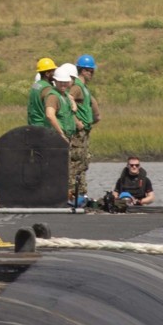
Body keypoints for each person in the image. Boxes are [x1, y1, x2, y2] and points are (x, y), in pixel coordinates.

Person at [69, 54, 100, 210]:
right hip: (78, 133)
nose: (92, 74)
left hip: (85, 131)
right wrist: (77, 122)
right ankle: (72, 194)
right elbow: (67, 100)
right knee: (75, 164)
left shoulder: (84, 88)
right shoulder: (77, 87)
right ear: (83, 70)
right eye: (90, 71)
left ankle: (81, 194)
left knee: (83, 163)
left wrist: (94, 118)